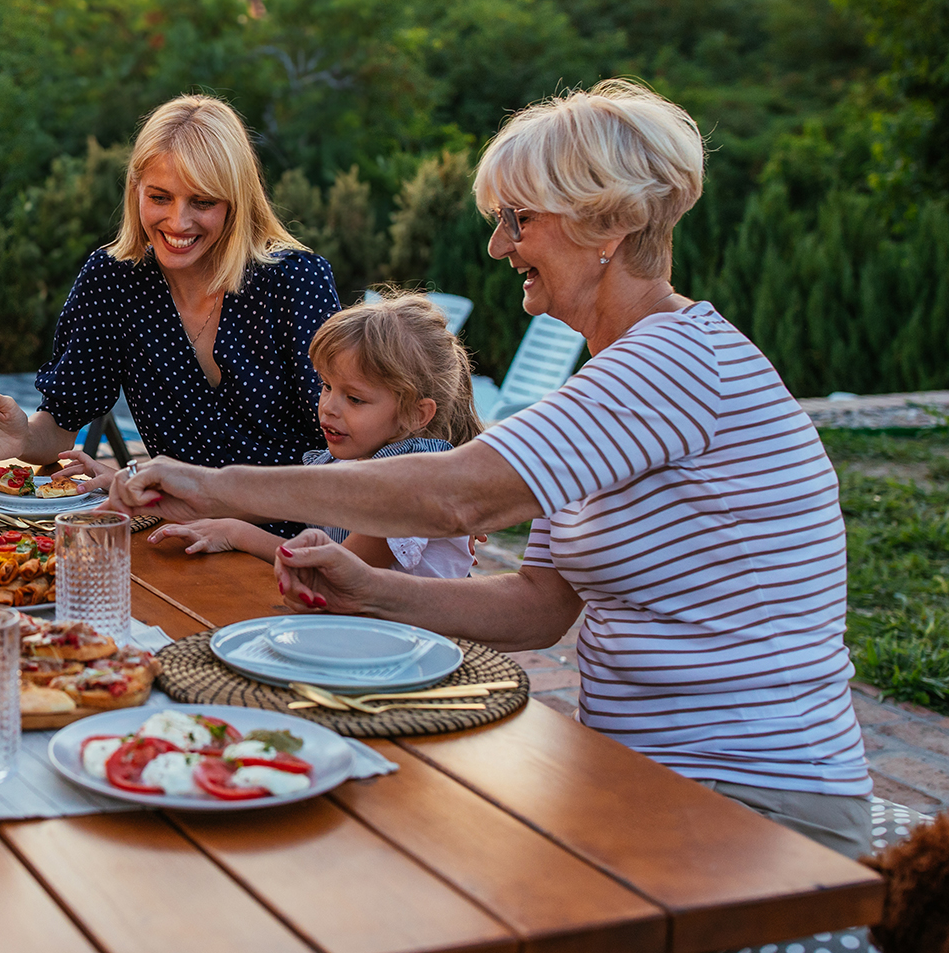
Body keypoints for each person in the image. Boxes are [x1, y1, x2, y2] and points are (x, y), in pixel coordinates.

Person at [113, 79, 873, 858]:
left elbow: (455, 497)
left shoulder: (676, 366)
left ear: (606, 223)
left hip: (755, 799)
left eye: (519, 219)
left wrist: (213, 481)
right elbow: (541, 606)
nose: (499, 245)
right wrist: (369, 587)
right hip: (649, 778)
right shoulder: (620, 375)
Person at [0, 95, 339, 491]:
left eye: (202, 201)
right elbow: (60, 423)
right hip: (179, 532)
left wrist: (220, 514)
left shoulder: (295, 281)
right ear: (135, 190)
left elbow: (348, 454)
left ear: (236, 202)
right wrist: (22, 437)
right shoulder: (113, 281)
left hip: (295, 537)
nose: (178, 221)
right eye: (160, 197)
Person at [143, 293, 480, 576]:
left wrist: (236, 533)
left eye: (355, 398)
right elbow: (259, 501)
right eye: (326, 386)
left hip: (407, 645)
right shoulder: (343, 459)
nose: (328, 407)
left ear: (415, 414)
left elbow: (339, 570)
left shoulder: (412, 479)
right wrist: (154, 491)